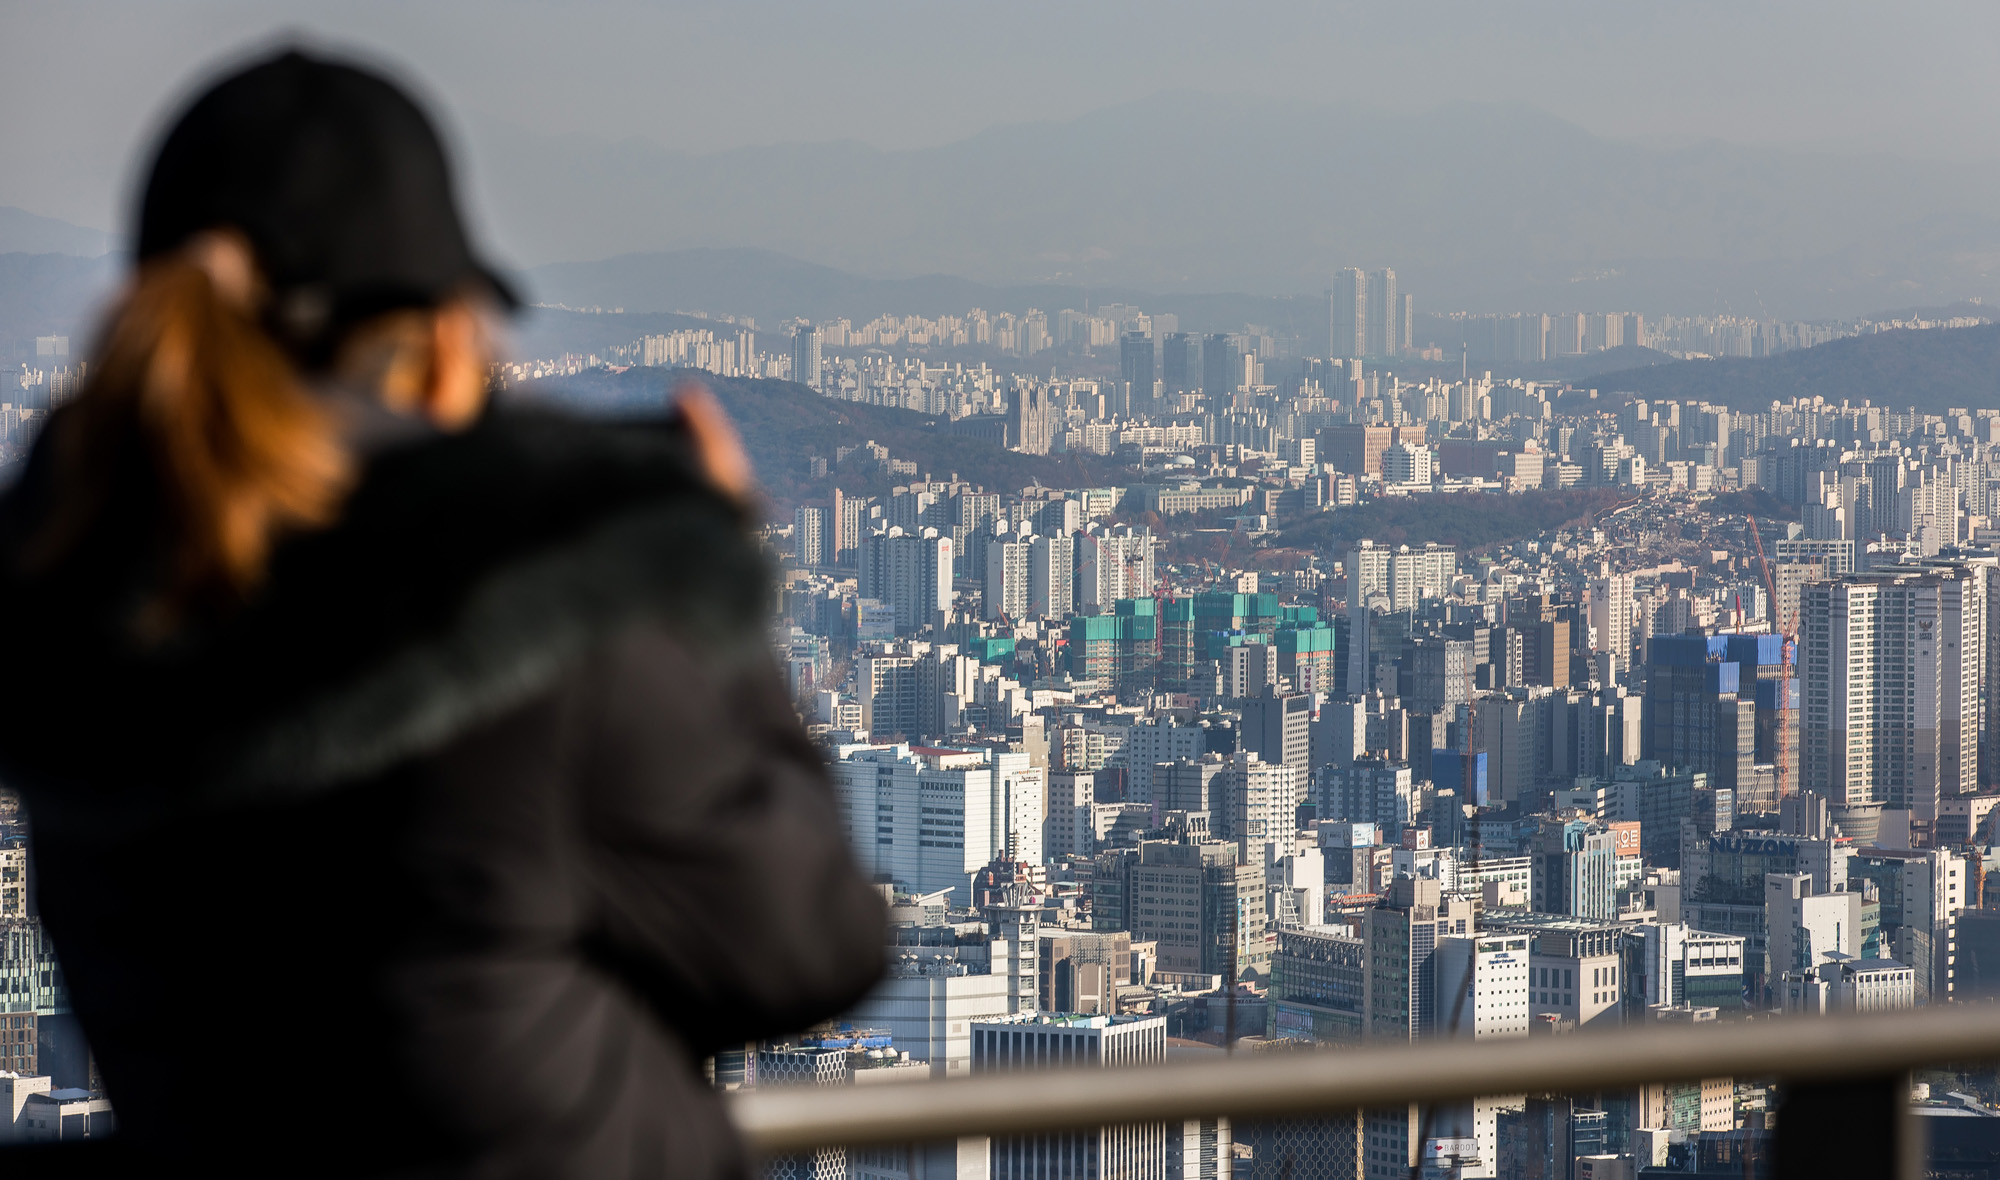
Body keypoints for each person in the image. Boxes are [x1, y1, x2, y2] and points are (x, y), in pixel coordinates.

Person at [0, 50, 886, 1176]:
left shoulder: (70, 618)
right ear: (442, 343)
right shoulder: (541, 627)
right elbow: (811, 943)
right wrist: (705, 571)